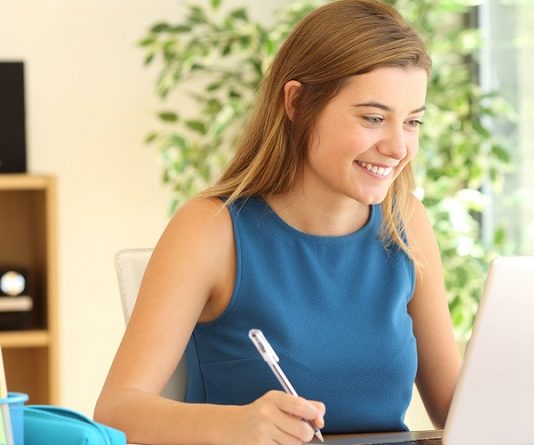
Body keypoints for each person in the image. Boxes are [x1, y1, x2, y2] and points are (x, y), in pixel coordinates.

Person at [94, 1, 462, 444]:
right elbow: (117, 411)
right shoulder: (211, 228)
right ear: (297, 101)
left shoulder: (406, 223)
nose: (398, 146)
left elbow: (457, 409)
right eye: (373, 118)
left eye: (413, 122)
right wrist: (234, 425)